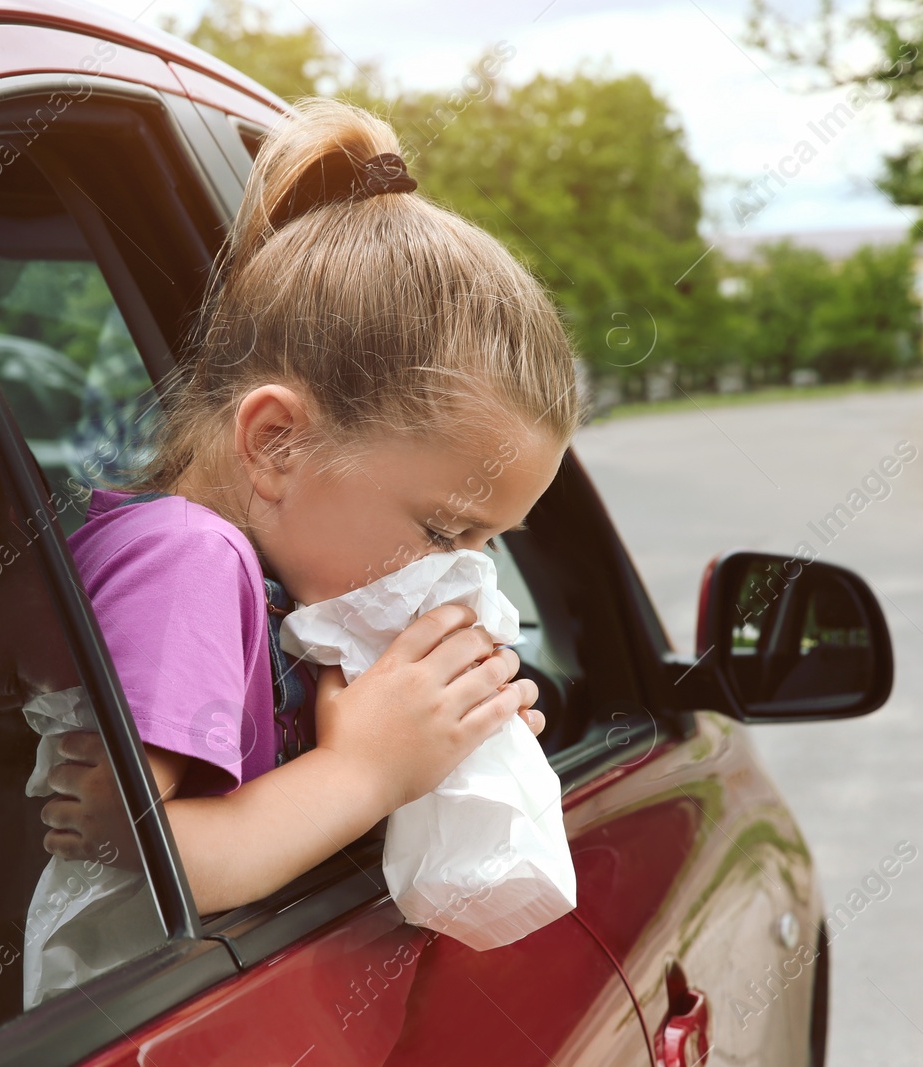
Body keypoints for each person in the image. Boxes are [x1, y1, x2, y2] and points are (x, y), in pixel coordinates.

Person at [41, 98, 589, 916]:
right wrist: (367, 769)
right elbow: (140, 852)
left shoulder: (292, 575)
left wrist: (445, 741)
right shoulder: (187, 558)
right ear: (277, 444)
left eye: (489, 543)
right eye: (443, 529)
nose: (465, 570)